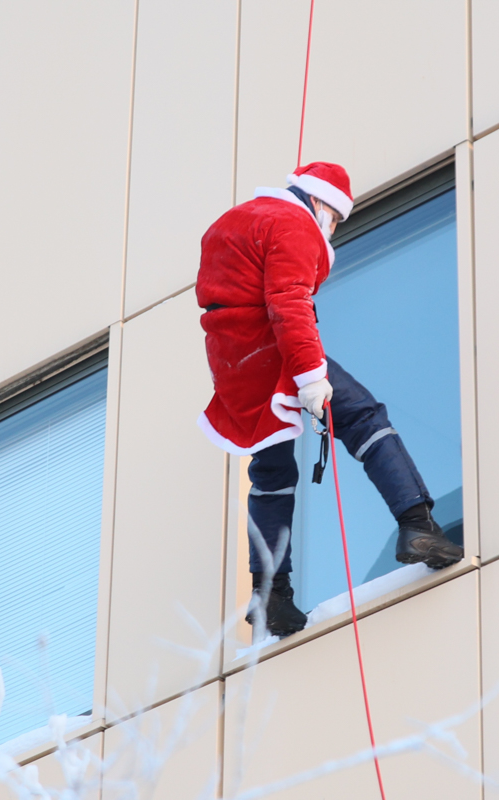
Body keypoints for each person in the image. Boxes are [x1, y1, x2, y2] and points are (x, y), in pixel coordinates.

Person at [195, 161, 464, 637]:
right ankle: (417, 523)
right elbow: (288, 301)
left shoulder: (234, 221)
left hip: (230, 358)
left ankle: (270, 595)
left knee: (272, 472)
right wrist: (310, 375)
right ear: (320, 202)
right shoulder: (294, 223)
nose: (333, 229)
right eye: (335, 219)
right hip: (271, 347)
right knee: (364, 417)